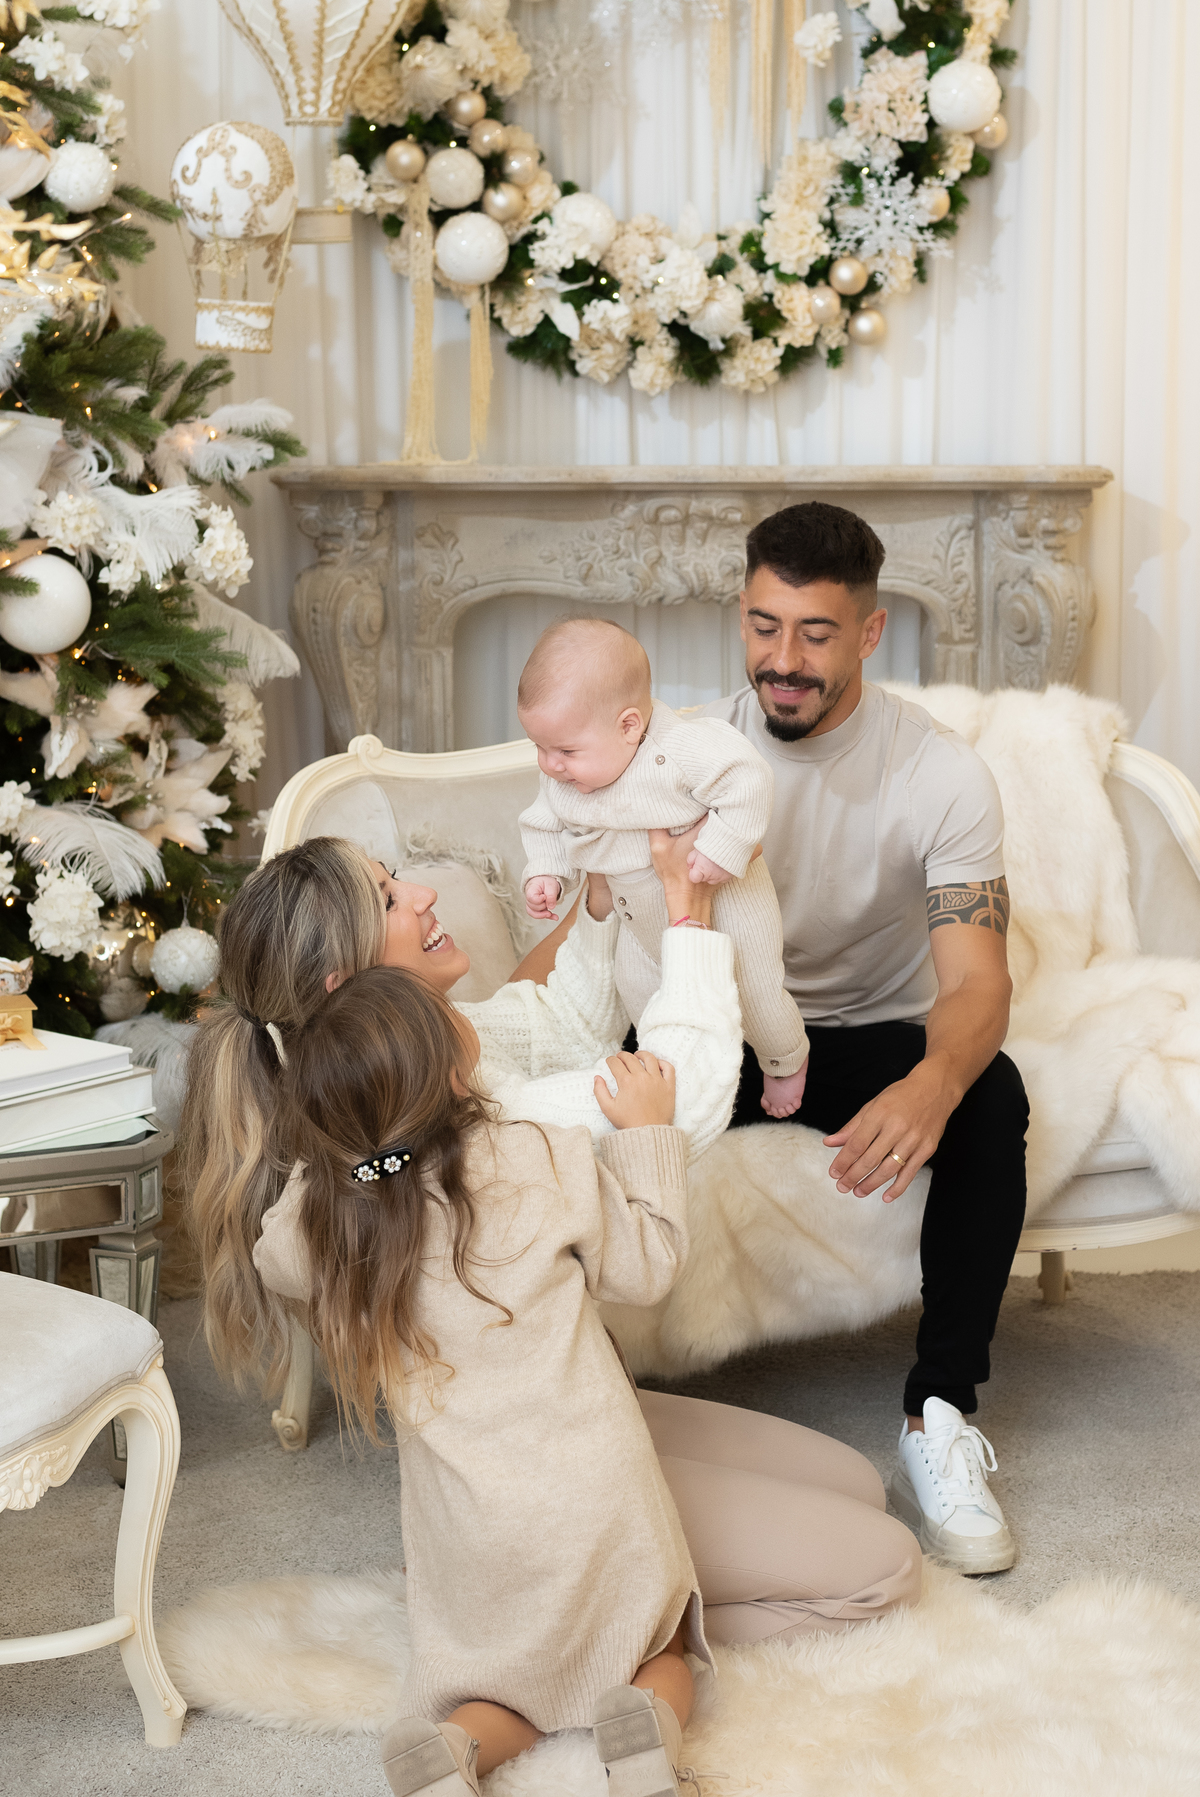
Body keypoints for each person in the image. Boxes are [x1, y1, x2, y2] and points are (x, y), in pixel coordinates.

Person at [181, 834, 919, 1730]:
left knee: (854, 1482)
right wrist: (688, 921)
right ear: (348, 982)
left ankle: (517, 1610)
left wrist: (598, 908)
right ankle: (605, 1637)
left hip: (574, 1422)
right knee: (884, 1565)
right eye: (388, 898)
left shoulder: (371, 1130)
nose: (421, 893)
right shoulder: (502, 1134)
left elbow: (557, 1021)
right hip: (581, 1486)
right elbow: (679, 1116)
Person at [255, 962, 704, 1795]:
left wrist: (336, 1161)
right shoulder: (542, 1154)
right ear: (457, 1071)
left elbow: (273, 1251)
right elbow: (650, 1266)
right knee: (660, 1648)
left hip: (473, 1532)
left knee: (502, 1689)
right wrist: (647, 1131)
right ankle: (644, 1726)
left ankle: (451, 1747)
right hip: (601, 1503)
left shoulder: (331, 1225)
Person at [702, 499, 1029, 1575]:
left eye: (815, 633)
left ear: (871, 632)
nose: (782, 661)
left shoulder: (938, 772)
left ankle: (940, 1413)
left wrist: (933, 1083)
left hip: (872, 1034)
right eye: (764, 626)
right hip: (730, 1033)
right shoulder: (694, 757)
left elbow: (977, 981)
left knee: (992, 1093)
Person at [517, 617, 809, 1117]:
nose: (550, 765)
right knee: (642, 996)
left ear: (629, 726)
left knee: (757, 993)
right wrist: (546, 872)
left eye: (564, 750)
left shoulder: (682, 748)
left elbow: (749, 780)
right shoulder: (566, 777)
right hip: (639, 919)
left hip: (727, 898)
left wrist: (722, 845)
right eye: (539, 748)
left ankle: (785, 1062)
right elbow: (545, 822)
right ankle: (679, 1083)